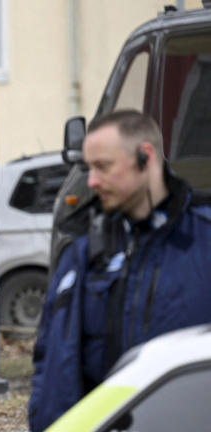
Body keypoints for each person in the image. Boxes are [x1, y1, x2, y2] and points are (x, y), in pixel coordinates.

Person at [28, 110, 211, 431]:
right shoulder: (82, 256)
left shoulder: (203, 242)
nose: (92, 181)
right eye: (89, 168)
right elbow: (51, 362)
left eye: (103, 167)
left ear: (145, 157)